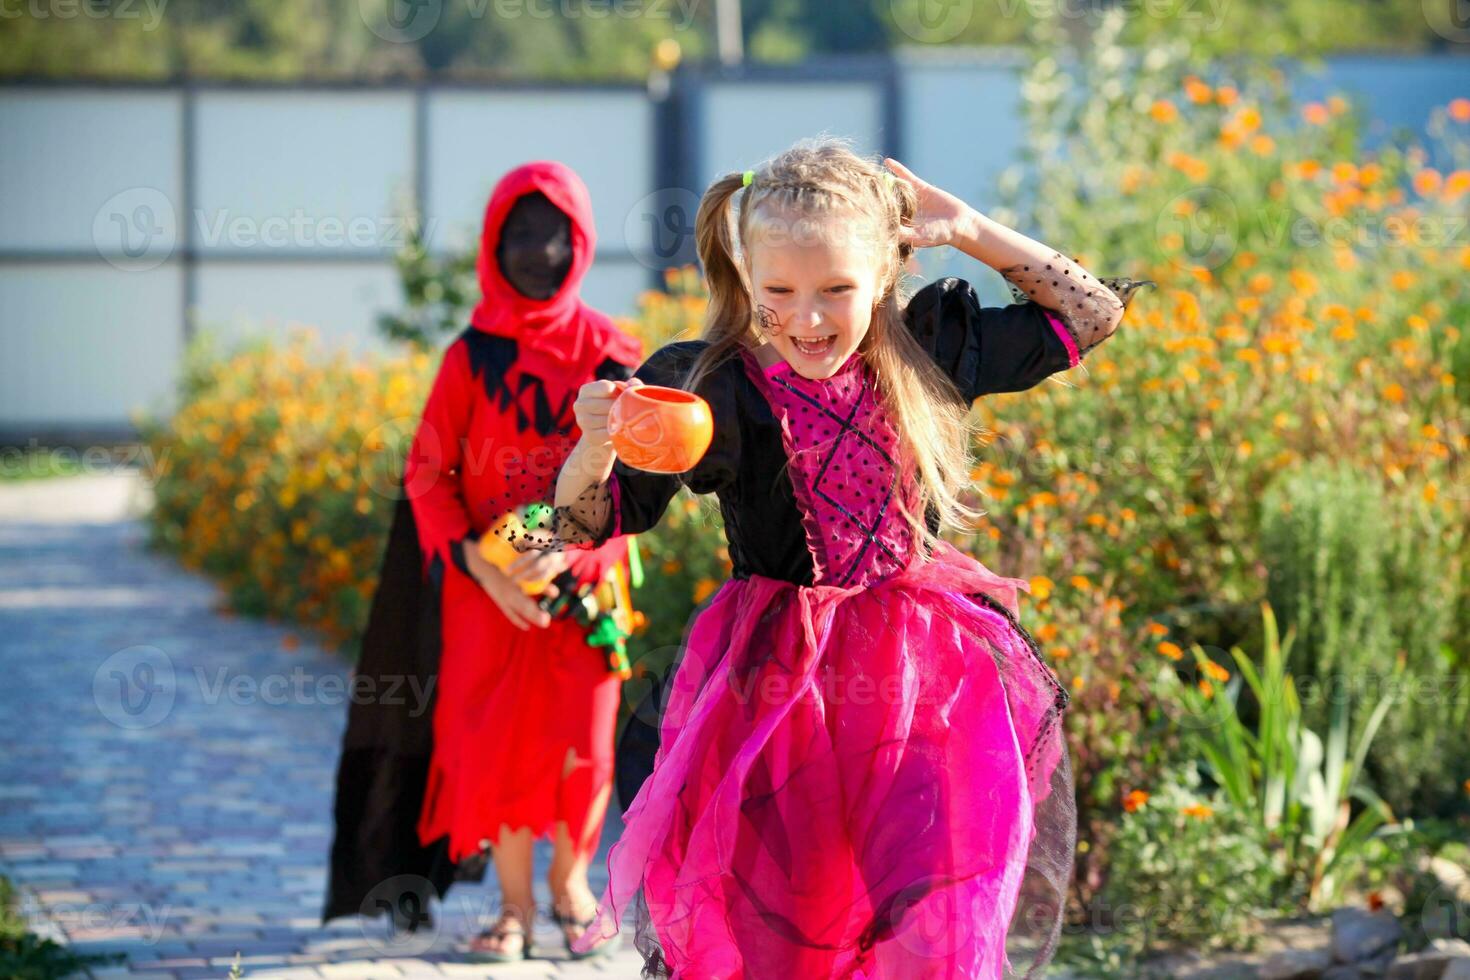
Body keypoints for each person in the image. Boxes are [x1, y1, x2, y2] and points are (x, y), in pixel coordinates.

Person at [504, 137, 1152, 978]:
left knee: (927, 913)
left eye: (836, 291)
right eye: (778, 292)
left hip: (924, 684)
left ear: (884, 272)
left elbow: (1091, 315)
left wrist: (968, 228)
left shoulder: (929, 350)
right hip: (776, 694)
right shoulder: (712, 386)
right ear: (745, 278)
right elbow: (582, 523)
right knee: (790, 918)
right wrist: (593, 448)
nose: (807, 319)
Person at [322, 160, 641, 964]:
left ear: (584, 242)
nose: (537, 252)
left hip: (586, 589)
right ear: (492, 246)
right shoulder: (469, 356)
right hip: (482, 593)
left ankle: (572, 887)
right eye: (519, 234)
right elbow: (428, 473)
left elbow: (640, 474)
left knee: (585, 741)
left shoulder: (614, 352)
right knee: (493, 743)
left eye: (554, 234)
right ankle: (512, 906)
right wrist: (481, 563)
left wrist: (579, 553)